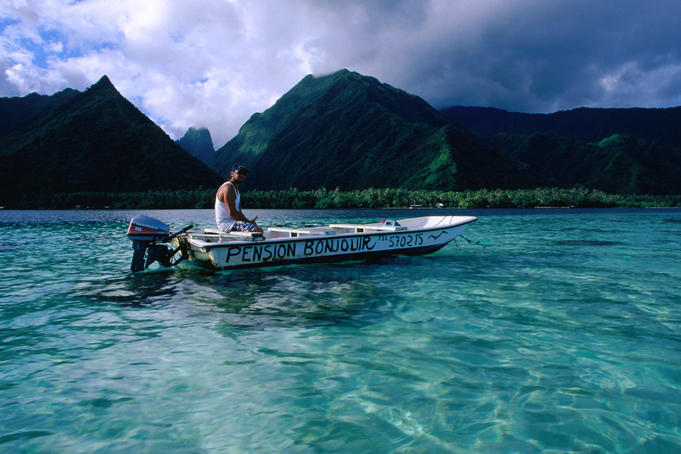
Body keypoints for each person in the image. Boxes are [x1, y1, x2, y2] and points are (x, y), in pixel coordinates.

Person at [215, 163, 263, 233]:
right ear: (232, 173)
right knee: (257, 230)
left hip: (234, 222)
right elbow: (232, 213)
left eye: (244, 174)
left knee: (258, 229)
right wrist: (249, 222)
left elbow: (239, 212)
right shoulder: (228, 188)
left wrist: (249, 222)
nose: (242, 175)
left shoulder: (236, 190)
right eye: (239, 173)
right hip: (226, 224)